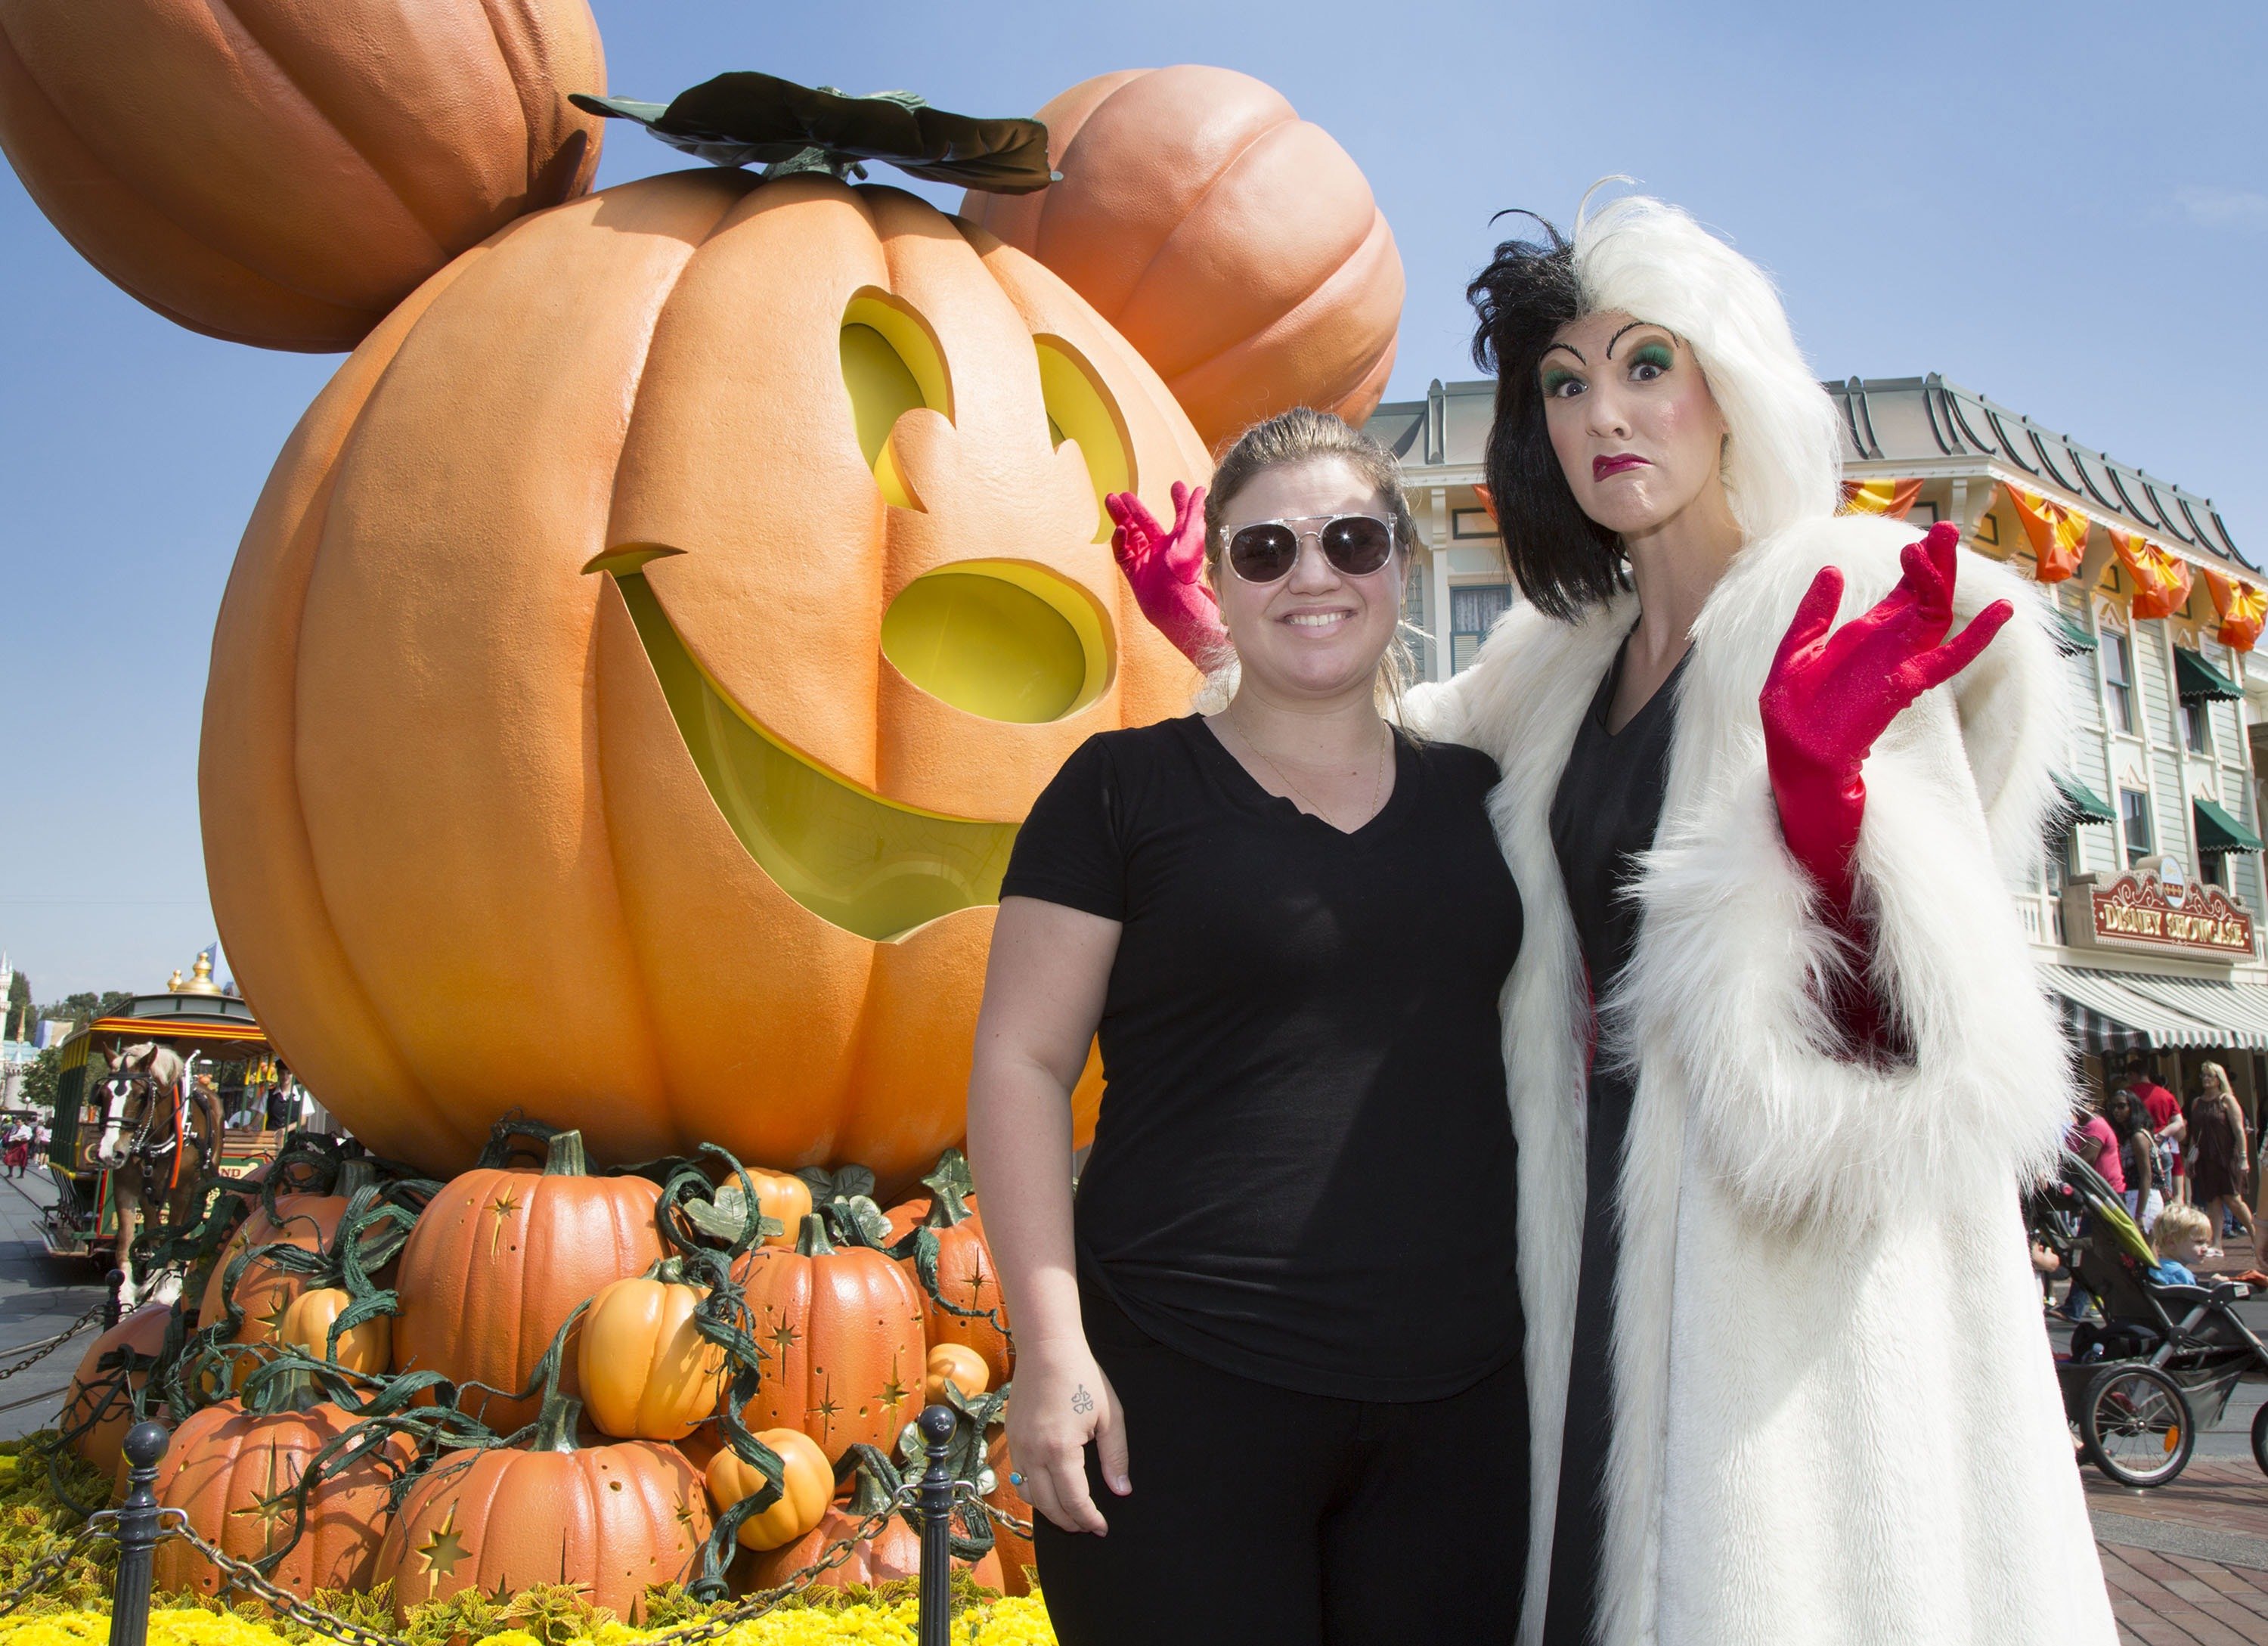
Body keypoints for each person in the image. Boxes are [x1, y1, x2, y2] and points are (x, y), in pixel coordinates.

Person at [1114, 195, 2112, 1641]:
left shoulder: (1844, 595)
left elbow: (1938, 1060)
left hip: (1792, 1295)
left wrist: (1833, 827)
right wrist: (1234, 639)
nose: (1604, 413)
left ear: (1733, 381)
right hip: (1587, 1236)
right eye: (1566, 382)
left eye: (1648, 363)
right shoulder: (1556, 663)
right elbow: (1388, 763)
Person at [968, 410, 1530, 1644]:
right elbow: (1021, 1061)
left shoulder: (1487, 799)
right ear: (1218, 579)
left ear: (1399, 563)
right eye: (1267, 549)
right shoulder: (1118, 790)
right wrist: (1048, 1345)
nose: (1313, 573)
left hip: (1461, 1409)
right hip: (1176, 1400)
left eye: (1350, 539)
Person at [2187, 1062, 2254, 1259]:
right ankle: (2216, 1244)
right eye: (2203, 1076)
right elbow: (2194, 1133)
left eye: (2210, 1076)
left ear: (2219, 1079)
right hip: (2205, 1158)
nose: (2206, 1079)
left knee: (2233, 1199)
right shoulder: (2197, 1103)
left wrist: (2243, 1158)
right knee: (2212, 1200)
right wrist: (2190, 1158)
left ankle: (2256, 1236)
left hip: (2225, 1157)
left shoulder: (2227, 1100)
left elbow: (2239, 1131)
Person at [2129, 1059, 2186, 1204]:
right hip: (2163, 1149)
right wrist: (2162, 1135)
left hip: (2136, 1150)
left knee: (2141, 1195)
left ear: (2133, 1074)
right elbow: (2179, 1123)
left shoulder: (2128, 1095)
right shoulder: (2165, 1095)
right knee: (2165, 1196)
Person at [2107, 1090, 2161, 1231]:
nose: (2116, 1111)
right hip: (2134, 1195)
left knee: (2143, 1248)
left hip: (2145, 1198)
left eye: (2122, 1106)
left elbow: (2146, 1176)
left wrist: (2140, 1214)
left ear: (2133, 1108)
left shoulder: (2138, 1137)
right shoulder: (2128, 1136)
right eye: (2113, 1107)